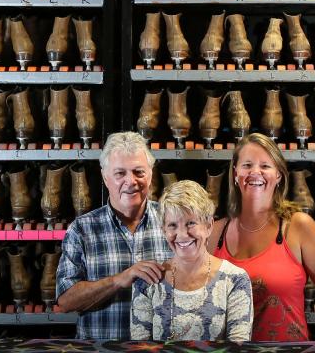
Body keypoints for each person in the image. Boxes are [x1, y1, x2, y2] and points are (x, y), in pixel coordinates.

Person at [210, 133, 315, 341]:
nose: (255, 172)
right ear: (235, 173)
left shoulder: (298, 227)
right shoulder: (215, 233)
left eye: (265, 166)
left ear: (279, 175)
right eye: (247, 165)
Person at [56, 132, 173, 340]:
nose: (131, 181)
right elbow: (66, 301)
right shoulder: (82, 229)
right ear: (105, 178)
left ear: (151, 174)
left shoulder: (172, 222)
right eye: (120, 173)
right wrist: (120, 280)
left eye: (139, 172)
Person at [131, 180, 253, 341]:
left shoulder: (235, 279)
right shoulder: (148, 281)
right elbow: (139, 348)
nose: (182, 235)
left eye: (191, 223)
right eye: (173, 225)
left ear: (209, 226)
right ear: (163, 230)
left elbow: (239, 346)